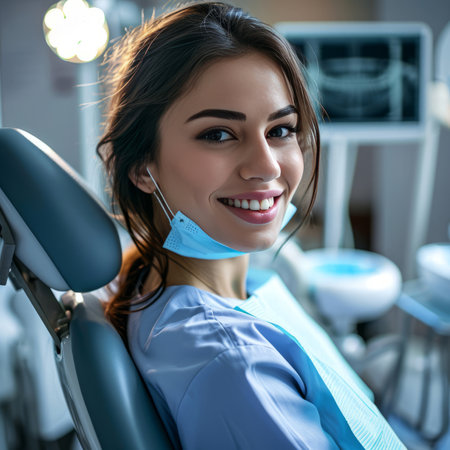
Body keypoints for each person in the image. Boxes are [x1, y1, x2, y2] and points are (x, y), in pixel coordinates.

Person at [97, 2, 405, 449]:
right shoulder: (234, 365)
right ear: (144, 167)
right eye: (219, 134)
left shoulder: (159, 281)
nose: (266, 167)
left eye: (280, 130)